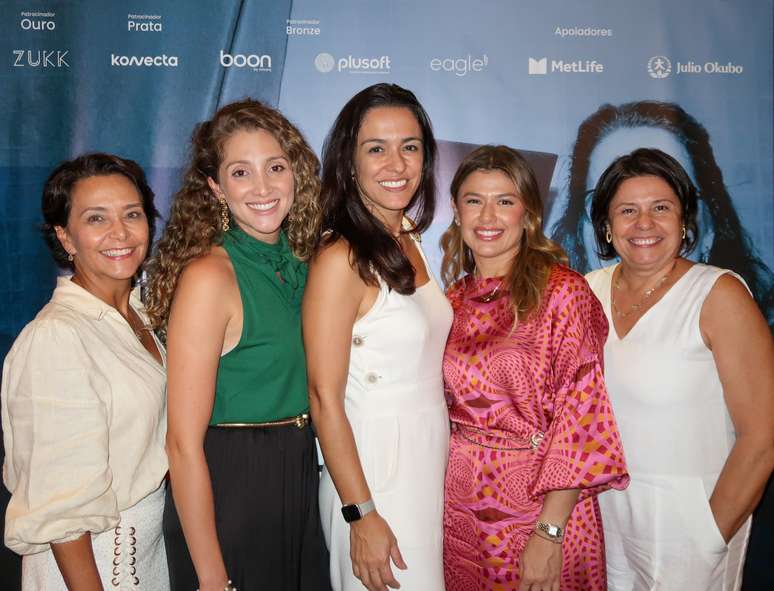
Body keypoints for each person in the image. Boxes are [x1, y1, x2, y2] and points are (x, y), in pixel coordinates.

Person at [144, 99, 329, 591]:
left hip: (299, 471)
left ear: (297, 173)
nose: (264, 188)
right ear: (215, 187)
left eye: (275, 167)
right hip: (233, 486)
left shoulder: (305, 261)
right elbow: (182, 444)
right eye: (241, 172)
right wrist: (211, 576)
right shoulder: (211, 276)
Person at [440, 145, 629, 591]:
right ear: (455, 209)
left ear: (527, 212)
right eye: (474, 200)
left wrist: (550, 531)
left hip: (541, 507)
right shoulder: (451, 300)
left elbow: (582, 418)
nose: (488, 216)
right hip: (463, 509)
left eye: (504, 201)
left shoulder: (562, 292)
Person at [585, 148, 774, 590]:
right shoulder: (586, 291)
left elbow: (763, 437)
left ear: (685, 220)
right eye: (628, 210)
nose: (644, 224)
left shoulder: (718, 294)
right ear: (607, 227)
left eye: (661, 208)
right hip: (603, 516)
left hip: (692, 519)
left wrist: (709, 537)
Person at [303, 83, 451, 591]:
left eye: (409, 147)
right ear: (348, 163)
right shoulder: (340, 258)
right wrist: (360, 513)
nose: (397, 163)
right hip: (373, 476)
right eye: (376, 149)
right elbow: (324, 398)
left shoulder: (409, 237)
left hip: (427, 463)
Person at [2, 153, 168, 590]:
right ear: (65, 236)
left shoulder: (138, 313)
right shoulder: (57, 339)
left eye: (132, 214)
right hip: (91, 564)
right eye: (96, 218)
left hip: (143, 550)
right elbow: (62, 505)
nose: (120, 233)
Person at [549, 100, 774, 328]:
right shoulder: (579, 297)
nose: (644, 223)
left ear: (709, 226)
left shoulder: (724, 298)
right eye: (624, 207)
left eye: (662, 206)